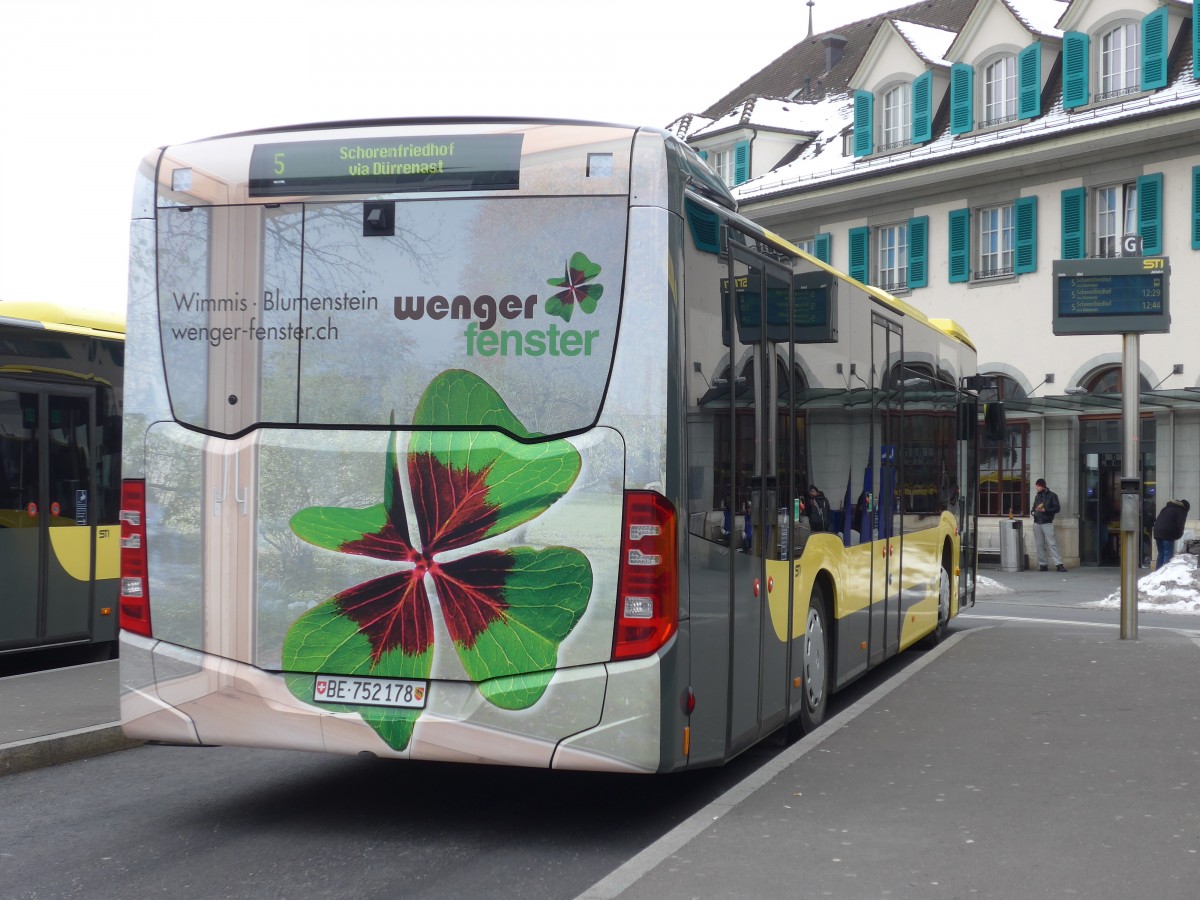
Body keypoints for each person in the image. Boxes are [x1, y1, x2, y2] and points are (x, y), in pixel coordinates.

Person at [1031, 478, 1065, 572]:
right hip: (1037, 521)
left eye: (1038, 486)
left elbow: (1057, 508)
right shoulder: (1037, 496)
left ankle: (1059, 564)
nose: (1036, 488)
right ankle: (1043, 564)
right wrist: (1034, 512)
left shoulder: (1052, 495)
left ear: (1042, 486)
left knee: (1052, 543)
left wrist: (1045, 510)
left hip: (1047, 521)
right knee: (1039, 544)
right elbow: (1033, 508)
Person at [1152, 498, 1190, 569]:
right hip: (1168, 533)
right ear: (1186, 508)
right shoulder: (1181, 510)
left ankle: (1157, 573)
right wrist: (1178, 536)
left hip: (1157, 532)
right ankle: (1165, 574)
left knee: (1161, 554)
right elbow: (1180, 525)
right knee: (1168, 554)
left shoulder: (1166, 508)